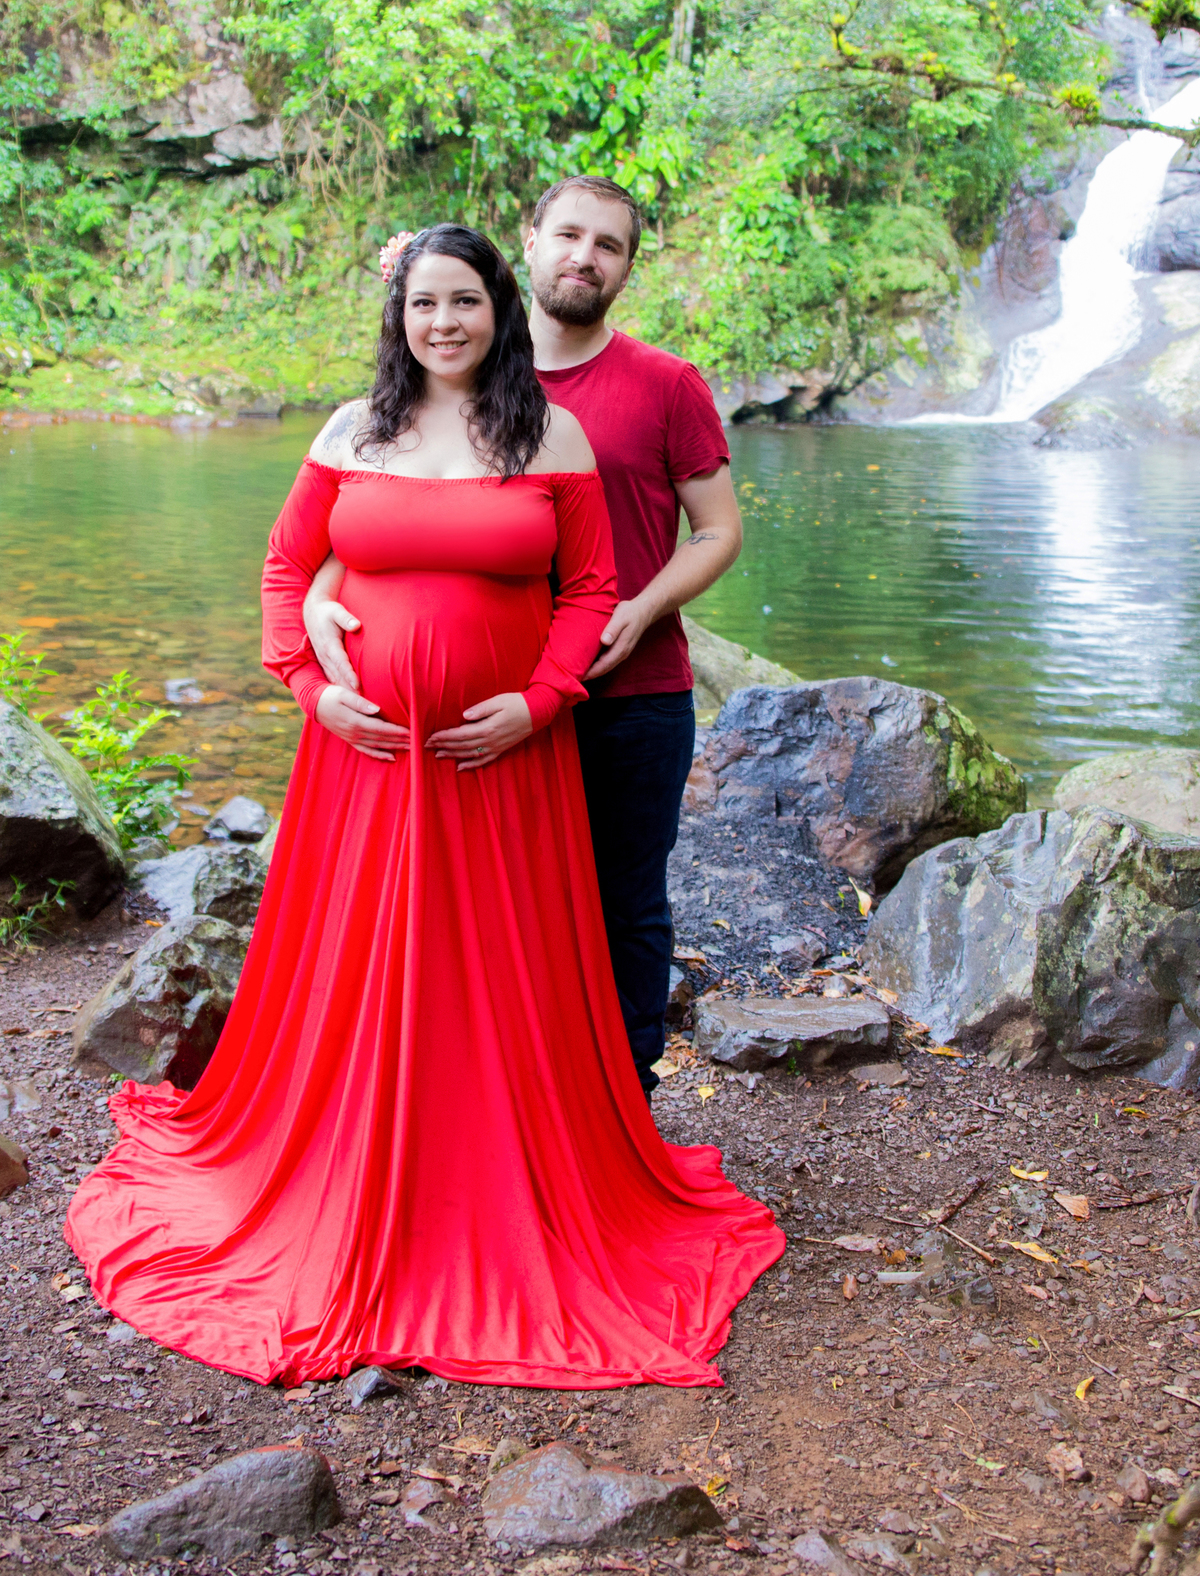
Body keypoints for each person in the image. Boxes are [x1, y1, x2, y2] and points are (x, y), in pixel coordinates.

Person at [64, 225, 782, 1390]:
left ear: (499, 309)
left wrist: (541, 703)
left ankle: (494, 1178)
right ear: (400, 316)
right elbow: (289, 575)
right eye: (423, 305)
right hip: (367, 759)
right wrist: (312, 686)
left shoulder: (552, 434)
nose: (443, 324)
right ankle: (349, 1168)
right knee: (362, 957)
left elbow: (591, 586)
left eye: (464, 303)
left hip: (507, 761)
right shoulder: (354, 429)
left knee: (498, 964)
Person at [304, 176, 741, 1098]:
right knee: (489, 912)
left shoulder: (664, 384)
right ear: (529, 243)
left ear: (626, 267)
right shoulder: (450, 368)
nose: (586, 257)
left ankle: (622, 1101)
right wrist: (319, 596)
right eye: (569, 236)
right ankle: (482, 1101)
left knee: (622, 903)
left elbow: (718, 530)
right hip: (478, 704)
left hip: (626, 689)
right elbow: (384, 518)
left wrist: (644, 603)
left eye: (609, 245)